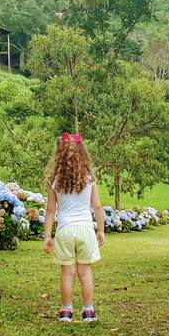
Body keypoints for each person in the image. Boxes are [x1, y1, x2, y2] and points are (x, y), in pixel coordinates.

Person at [42, 132, 106, 323]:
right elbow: (97, 207)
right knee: (85, 272)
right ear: (82, 153)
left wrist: (47, 236)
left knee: (67, 273)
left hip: (64, 230)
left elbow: (50, 211)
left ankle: (66, 311)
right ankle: (88, 311)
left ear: (59, 154)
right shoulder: (89, 178)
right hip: (85, 229)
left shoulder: (55, 181)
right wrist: (101, 230)